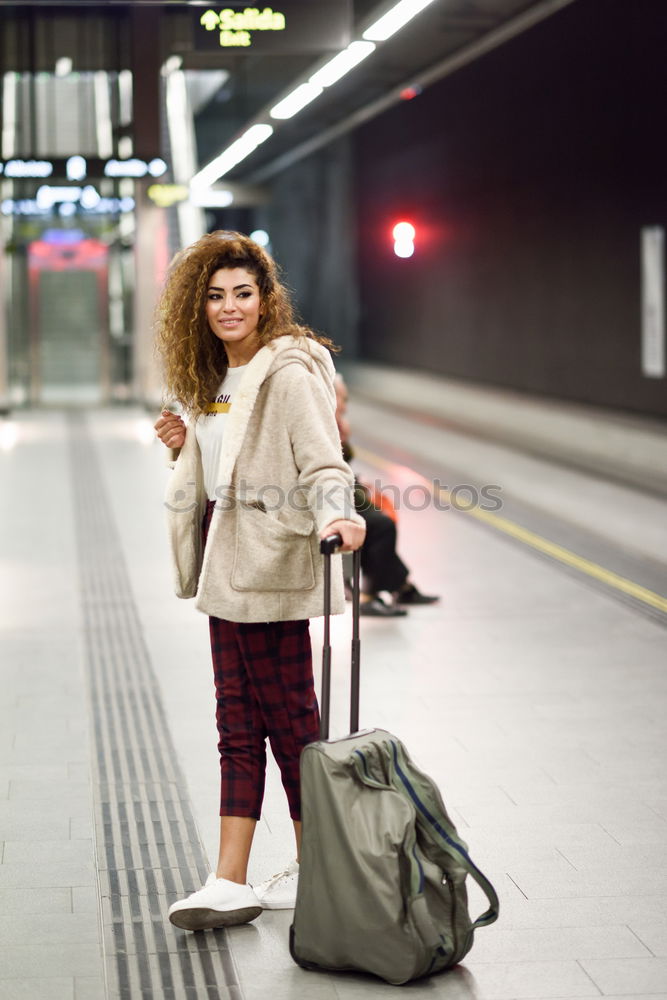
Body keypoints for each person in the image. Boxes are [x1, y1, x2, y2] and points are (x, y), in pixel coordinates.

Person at [153, 231, 365, 930]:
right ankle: (229, 878)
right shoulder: (210, 380)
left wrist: (342, 516)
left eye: (242, 293)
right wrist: (188, 447)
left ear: (266, 299)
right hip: (224, 566)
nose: (229, 307)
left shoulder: (290, 371)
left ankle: (321, 870)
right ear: (199, 306)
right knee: (235, 722)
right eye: (214, 297)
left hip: (270, 565)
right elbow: (222, 472)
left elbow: (323, 463)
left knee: (292, 724)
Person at [334, 374, 439, 616]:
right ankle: (370, 596)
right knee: (381, 525)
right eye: (343, 398)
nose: (345, 404)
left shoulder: (337, 421)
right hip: (333, 492)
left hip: (345, 487)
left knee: (380, 516)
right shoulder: (326, 423)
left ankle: (402, 586)